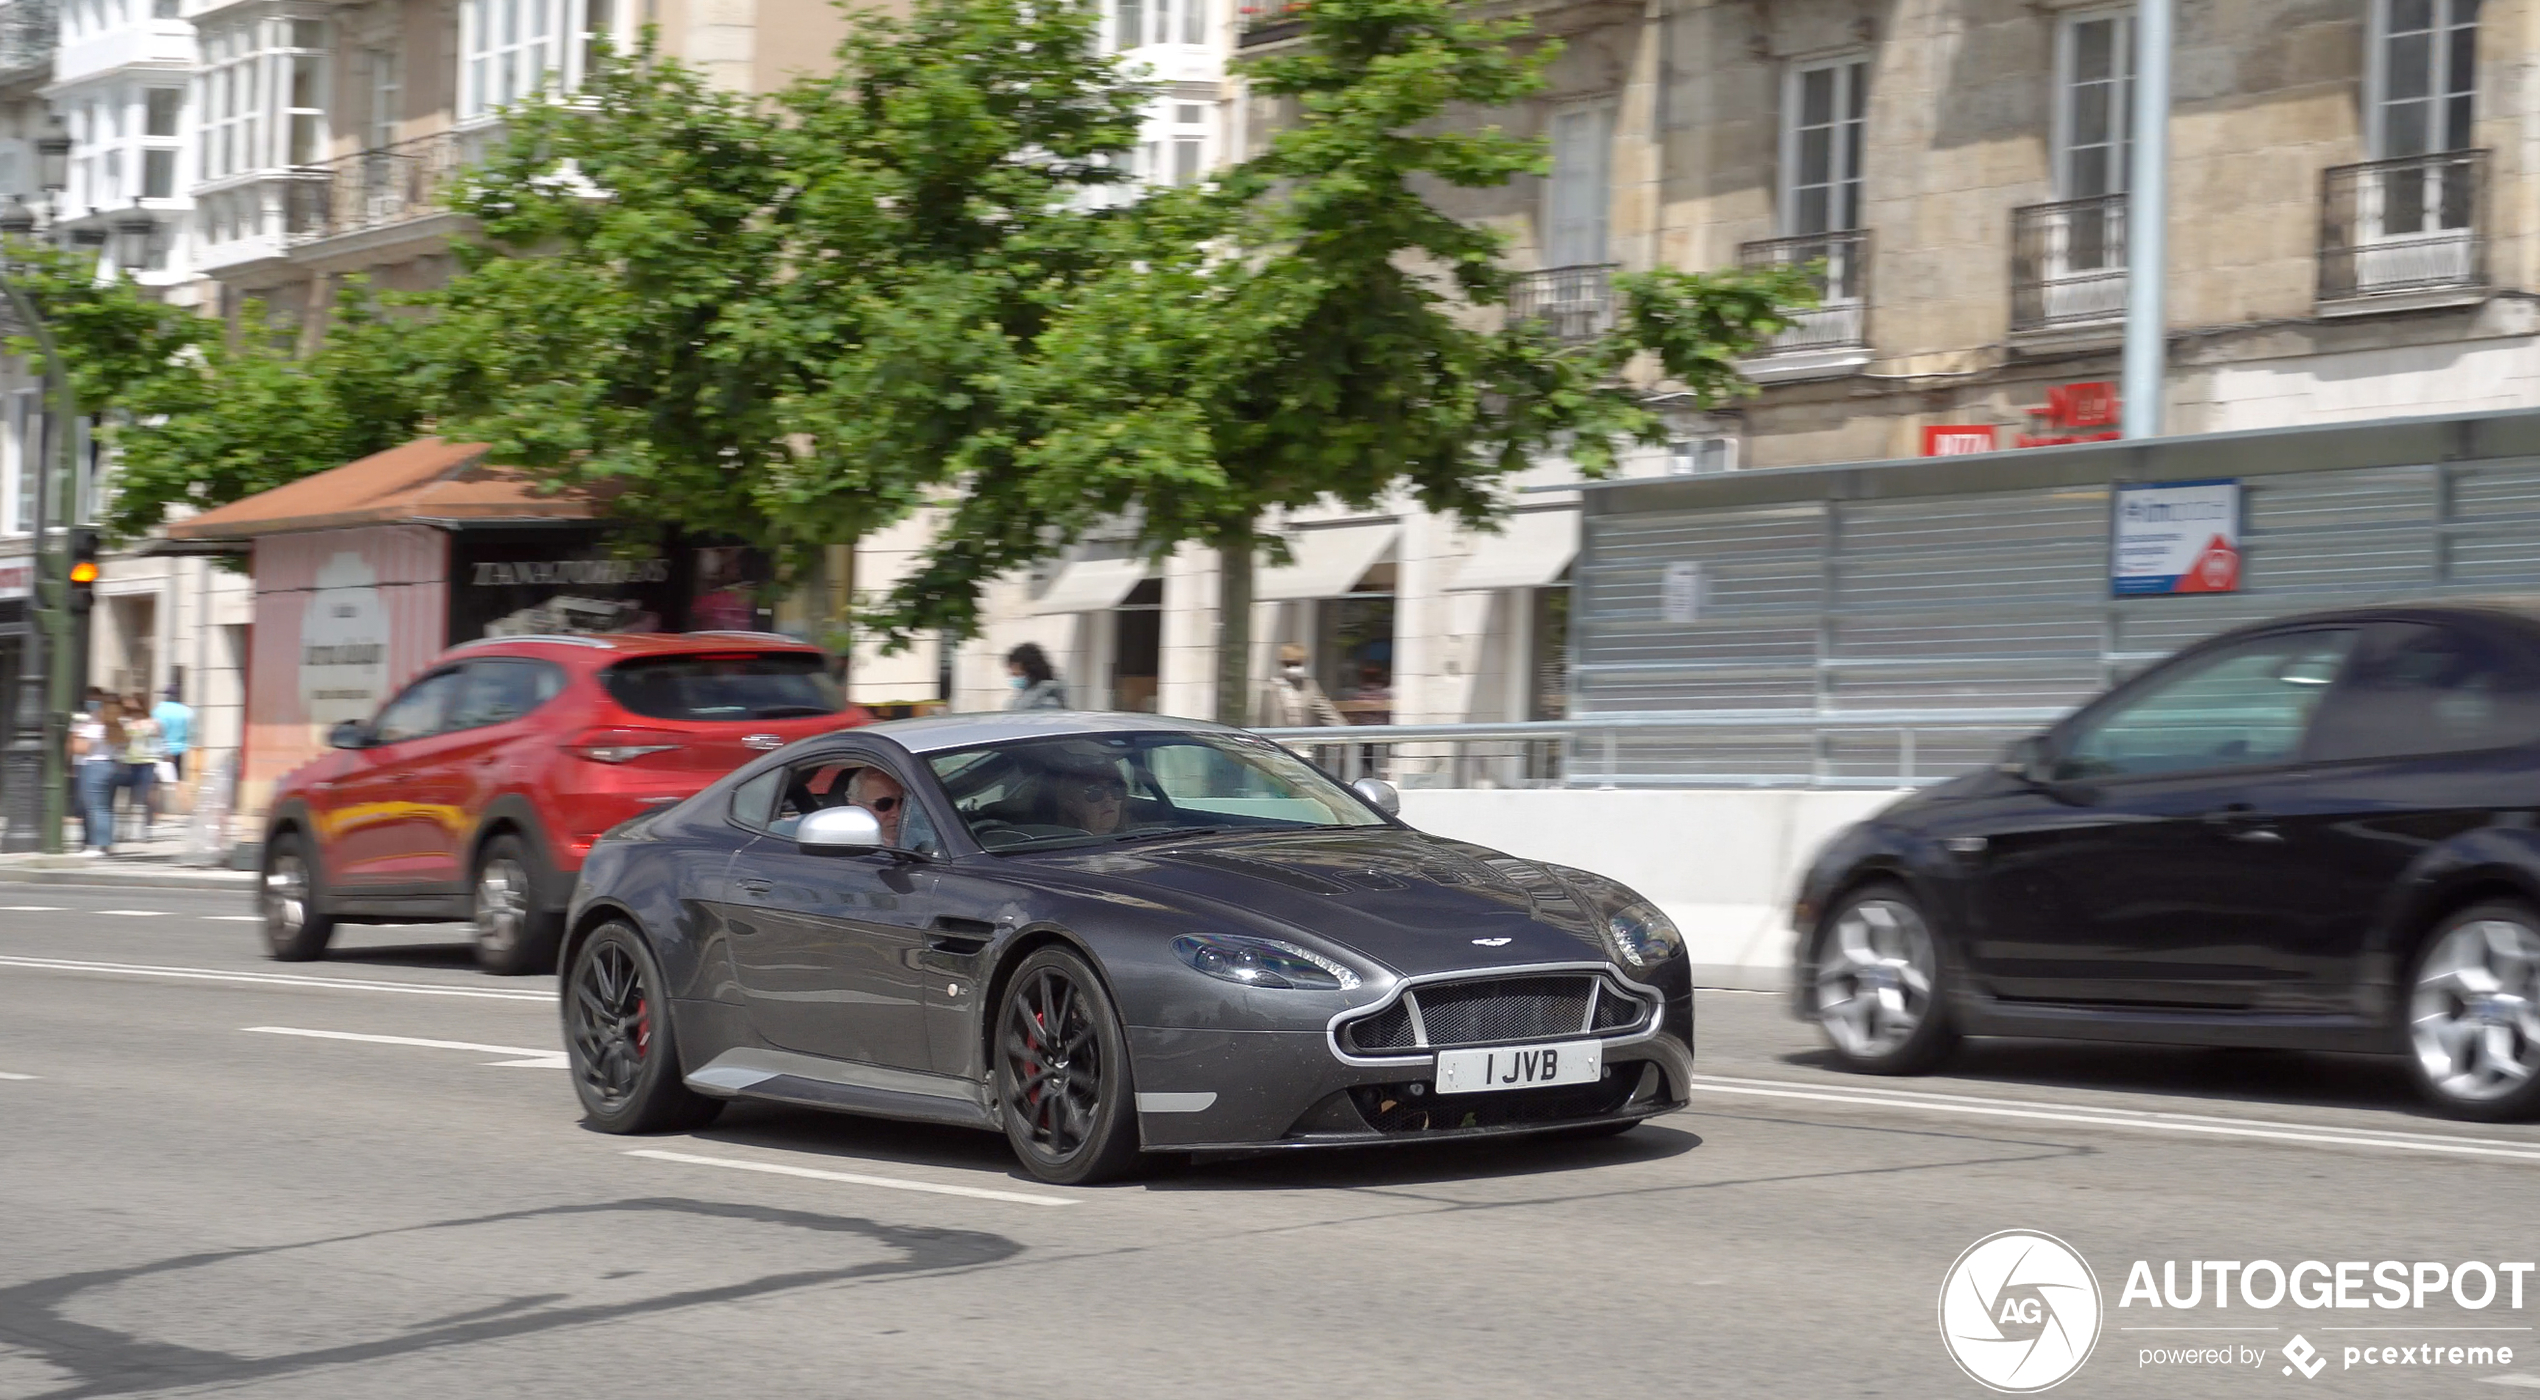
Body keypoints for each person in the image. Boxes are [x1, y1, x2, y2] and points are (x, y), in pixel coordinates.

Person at [70, 699, 121, 855]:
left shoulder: (92, 728)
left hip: (93, 766)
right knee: (105, 808)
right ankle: (105, 844)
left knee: (94, 807)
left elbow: (80, 749)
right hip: (110, 765)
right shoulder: (115, 727)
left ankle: (96, 846)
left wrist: (77, 733)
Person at [1256, 644, 1344, 728]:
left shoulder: (1309, 687)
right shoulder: (1270, 687)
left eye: (1297, 664)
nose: (1293, 668)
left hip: (1301, 740)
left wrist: (1347, 734)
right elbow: (1261, 719)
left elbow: (1330, 715)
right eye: (1289, 664)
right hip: (1275, 740)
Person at [119, 693, 162, 840]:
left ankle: (147, 827)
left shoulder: (153, 722)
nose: (132, 710)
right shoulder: (124, 722)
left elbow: (158, 740)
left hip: (147, 761)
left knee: (146, 796)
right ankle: (126, 828)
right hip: (129, 761)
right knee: (130, 797)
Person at [1051, 763, 1130, 835]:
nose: (1109, 798)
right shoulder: (1058, 844)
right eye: (1094, 792)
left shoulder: (1137, 836)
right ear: (1071, 805)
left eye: (1116, 789)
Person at [845, 766, 909, 848]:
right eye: (884, 804)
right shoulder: (849, 850)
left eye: (903, 802)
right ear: (857, 808)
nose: (898, 813)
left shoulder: (924, 836)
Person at [1005, 643, 1068, 711]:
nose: (1014, 678)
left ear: (1031, 671)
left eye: (1018, 674)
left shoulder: (1048, 700)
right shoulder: (1027, 694)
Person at [153, 684, 193, 782]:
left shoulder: (159, 710)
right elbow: (191, 732)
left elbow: (156, 732)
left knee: (160, 782)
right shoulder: (187, 711)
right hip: (182, 751)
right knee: (179, 781)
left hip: (163, 752)